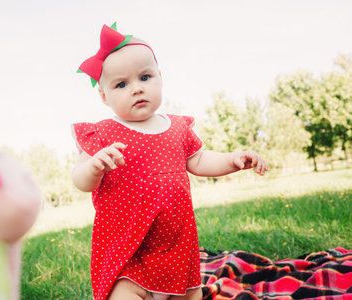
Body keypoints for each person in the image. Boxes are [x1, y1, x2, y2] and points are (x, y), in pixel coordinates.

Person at [71, 23, 268, 300]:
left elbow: (199, 160)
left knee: (189, 294)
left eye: (145, 77)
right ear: (104, 96)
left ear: (160, 78)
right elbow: (79, 178)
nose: (136, 89)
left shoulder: (176, 127)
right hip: (128, 248)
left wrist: (232, 160)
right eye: (121, 84)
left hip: (175, 244)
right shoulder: (103, 132)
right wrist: (93, 168)